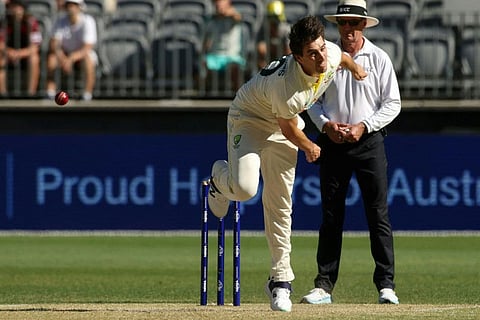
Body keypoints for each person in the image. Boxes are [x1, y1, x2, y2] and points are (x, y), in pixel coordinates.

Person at [207, 15, 367, 312]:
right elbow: (289, 129)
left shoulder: (329, 54)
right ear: (297, 56)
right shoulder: (288, 86)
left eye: (321, 48)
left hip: (284, 122)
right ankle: (219, 180)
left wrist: (356, 68)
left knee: (280, 203)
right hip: (250, 120)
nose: (320, 57)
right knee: (244, 189)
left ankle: (280, 280)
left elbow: (341, 57)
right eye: (312, 54)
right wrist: (310, 147)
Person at [301, 0, 401, 305]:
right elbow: (310, 99)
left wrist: (365, 126)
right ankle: (324, 286)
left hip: (368, 142)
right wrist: (325, 125)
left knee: (377, 214)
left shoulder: (379, 58)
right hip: (333, 143)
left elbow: (393, 103)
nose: (348, 29)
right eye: (343, 23)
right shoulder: (326, 58)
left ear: (364, 25)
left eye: (354, 23)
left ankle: (386, 285)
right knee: (331, 215)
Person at [46, 0, 97, 101]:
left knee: (88, 59)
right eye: (69, 5)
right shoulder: (60, 21)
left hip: (81, 55)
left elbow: (87, 47)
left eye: (74, 5)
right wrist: (63, 58)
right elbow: (54, 44)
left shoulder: (88, 21)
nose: (71, 8)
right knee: (52, 59)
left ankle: (87, 94)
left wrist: (70, 59)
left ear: (80, 7)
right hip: (64, 54)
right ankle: (50, 93)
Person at [0, 0, 42, 96]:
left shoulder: (31, 22)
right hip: (8, 55)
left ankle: (30, 94)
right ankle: (2, 95)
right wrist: (10, 52)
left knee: (34, 59)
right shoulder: (4, 21)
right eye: (13, 6)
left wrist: (18, 54)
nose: (16, 10)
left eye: (18, 7)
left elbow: (35, 47)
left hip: (24, 56)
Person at [202, 0, 245, 92]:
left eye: (220, 1)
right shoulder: (211, 20)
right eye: (216, 1)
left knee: (235, 67)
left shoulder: (234, 15)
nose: (218, 3)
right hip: (215, 56)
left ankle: (239, 97)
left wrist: (223, 13)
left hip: (232, 56)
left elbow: (237, 17)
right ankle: (204, 96)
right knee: (202, 64)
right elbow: (207, 40)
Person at [256, 0, 291, 69]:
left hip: (284, 63)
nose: (275, 22)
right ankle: (265, 76)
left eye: (277, 18)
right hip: (269, 61)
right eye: (272, 18)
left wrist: (273, 48)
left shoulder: (286, 29)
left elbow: (289, 51)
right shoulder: (263, 28)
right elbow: (261, 48)